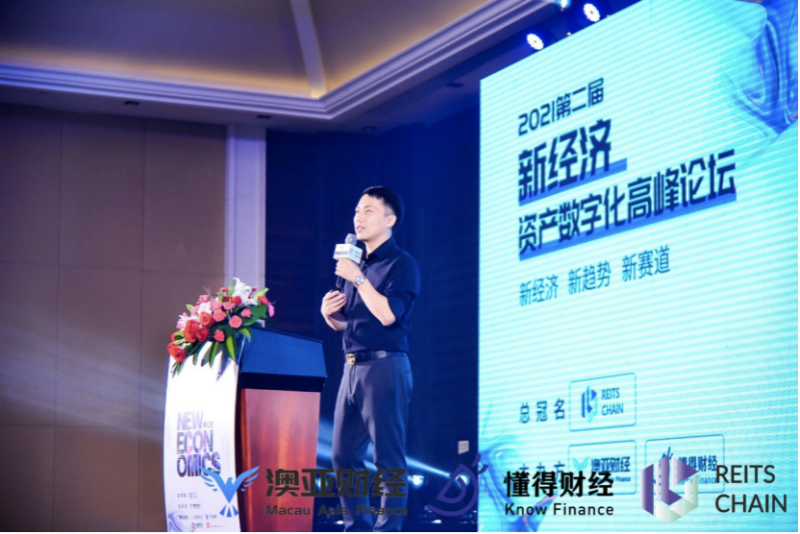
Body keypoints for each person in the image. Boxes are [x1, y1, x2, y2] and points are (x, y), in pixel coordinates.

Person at [320, 186, 421, 533]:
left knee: (387, 459)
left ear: (390, 220)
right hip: (352, 366)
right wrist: (329, 315)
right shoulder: (354, 264)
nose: (358, 218)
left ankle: (387, 530)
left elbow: (388, 315)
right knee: (343, 457)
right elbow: (350, 323)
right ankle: (357, 528)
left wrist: (359, 279)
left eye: (368, 211)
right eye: (356, 211)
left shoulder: (402, 264)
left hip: (385, 367)